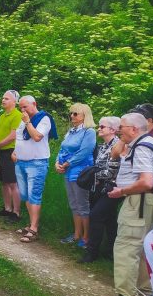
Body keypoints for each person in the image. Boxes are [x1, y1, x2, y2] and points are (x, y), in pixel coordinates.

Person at [98, 113, 153, 296]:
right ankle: (144, 294)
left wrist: (121, 191)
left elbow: (146, 181)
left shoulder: (141, 146)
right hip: (145, 202)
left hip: (138, 202)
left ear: (134, 128)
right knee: (140, 249)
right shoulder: (148, 142)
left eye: (122, 126)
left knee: (126, 246)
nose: (119, 130)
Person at [12, 95, 58, 243]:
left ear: (34, 104)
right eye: (21, 108)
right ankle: (30, 224)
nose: (23, 110)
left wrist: (27, 122)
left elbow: (37, 136)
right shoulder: (23, 120)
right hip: (21, 162)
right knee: (25, 195)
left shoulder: (44, 118)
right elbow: (19, 137)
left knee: (34, 195)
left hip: (36, 163)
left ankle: (34, 228)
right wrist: (15, 151)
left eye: (25, 107)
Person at [79, 116, 121, 263]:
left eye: (102, 127)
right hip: (99, 187)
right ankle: (111, 251)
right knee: (110, 219)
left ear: (112, 130)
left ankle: (92, 252)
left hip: (112, 188)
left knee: (96, 216)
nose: (99, 129)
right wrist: (94, 175)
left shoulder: (117, 146)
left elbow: (111, 172)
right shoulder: (103, 145)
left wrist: (91, 174)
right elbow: (100, 167)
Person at [56, 103, 97, 248]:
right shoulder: (71, 131)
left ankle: (87, 238)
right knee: (74, 204)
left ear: (84, 116)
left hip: (81, 172)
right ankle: (76, 234)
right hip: (68, 172)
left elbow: (85, 152)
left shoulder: (89, 132)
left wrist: (67, 163)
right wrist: (57, 163)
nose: (72, 116)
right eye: (71, 113)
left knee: (83, 205)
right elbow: (62, 149)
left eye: (75, 114)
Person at [0, 90, 23, 223]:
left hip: (9, 151)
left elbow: (13, 136)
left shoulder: (17, 115)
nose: (3, 100)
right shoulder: (2, 115)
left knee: (12, 182)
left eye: (6, 98)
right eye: (3, 98)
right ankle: (7, 208)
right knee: (4, 182)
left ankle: (16, 212)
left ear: (14, 101)